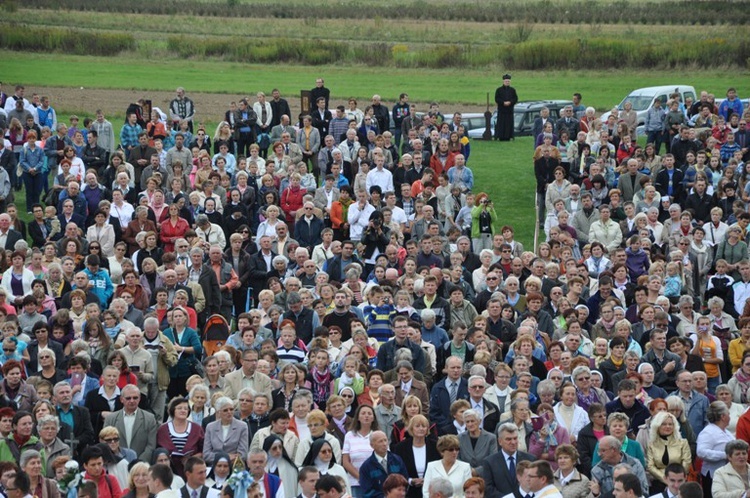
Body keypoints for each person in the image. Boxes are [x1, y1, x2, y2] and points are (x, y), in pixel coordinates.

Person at [481, 423, 534, 498]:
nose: (513, 442)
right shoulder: (489, 462)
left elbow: (535, 484)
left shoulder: (530, 459)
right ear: (500, 441)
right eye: (508, 439)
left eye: (515, 438)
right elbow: (488, 488)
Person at [696, 401, 735, 498]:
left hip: (728, 474)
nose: (730, 417)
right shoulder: (708, 432)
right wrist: (724, 455)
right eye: (728, 414)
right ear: (723, 416)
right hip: (713, 476)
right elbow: (701, 452)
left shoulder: (726, 431)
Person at [358, 431, 408, 498]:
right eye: (380, 441)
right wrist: (385, 496)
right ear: (372, 445)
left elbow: (405, 481)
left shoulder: (397, 460)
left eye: (385, 440)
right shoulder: (366, 467)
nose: (384, 444)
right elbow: (367, 491)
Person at [202, 396, 248, 465]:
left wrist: (219, 457)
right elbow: (206, 455)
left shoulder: (242, 426)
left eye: (231, 409)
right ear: (218, 412)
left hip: (234, 466)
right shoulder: (210, 427)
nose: (229, 412)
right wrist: (226, 457)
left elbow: (243, 454)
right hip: (215, 466)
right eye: (225, 410)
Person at [494, 75, 518, 141]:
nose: (507, 82)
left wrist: (510, 102)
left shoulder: (512, 90)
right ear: (503, 81)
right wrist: (503, 103)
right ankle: (501, 136)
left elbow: (515, 98)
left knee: (508, 124)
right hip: (502, 111)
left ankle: (509, 136)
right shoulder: (499, 90)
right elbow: (497, 99)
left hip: (509, 111)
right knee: (501, 124)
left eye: (508, 81)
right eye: (506, 81)